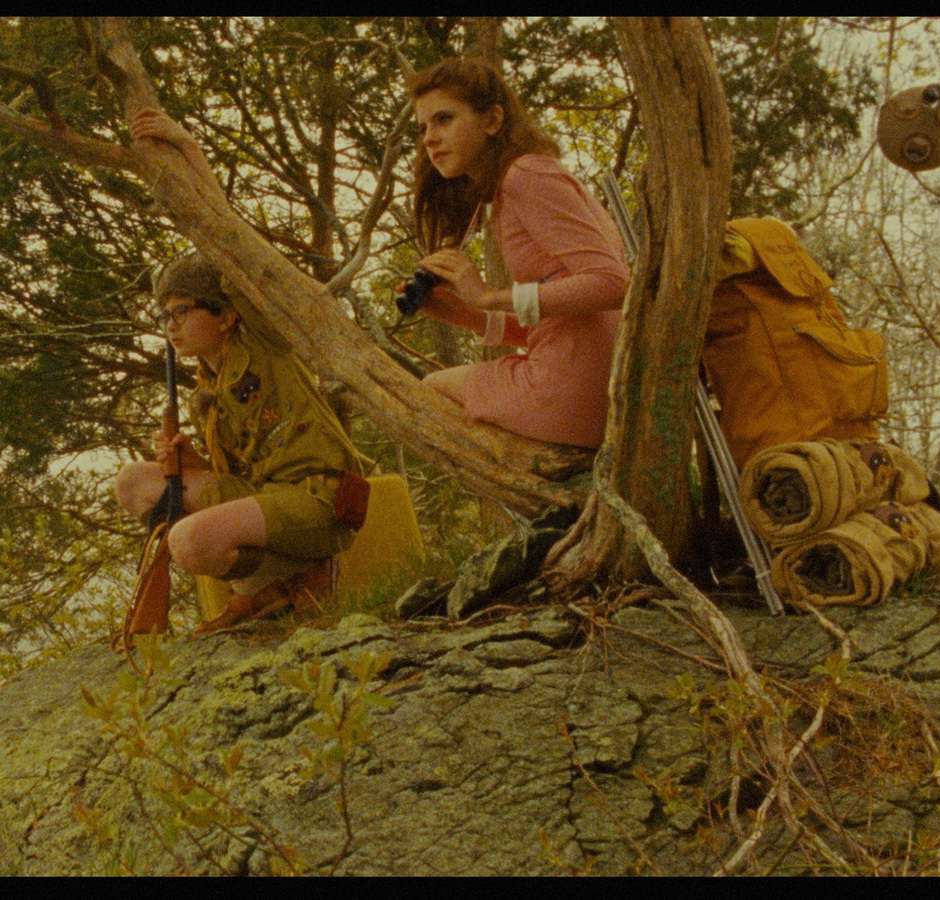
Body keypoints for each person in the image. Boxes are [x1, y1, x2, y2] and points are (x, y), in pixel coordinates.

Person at [115, 111, 375, 635]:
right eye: (164, 315)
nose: (171, 325)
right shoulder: (204, 392)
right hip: (265, 496)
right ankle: (274, 588)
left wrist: (187, 147)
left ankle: (304, 576)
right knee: (134, 484)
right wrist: (188, 460)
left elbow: (225, 237)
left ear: (226, 314)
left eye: (183, 310)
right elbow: (238, 471)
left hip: (318, 499)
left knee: (188, 543)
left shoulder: (264, 341)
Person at [403, 59, 630, 450]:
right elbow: (565, 318)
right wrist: (470, 316)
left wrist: (489, 297)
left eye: (444, 119)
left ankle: (541, 500)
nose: (429, 138)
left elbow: (613, 285)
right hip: (601, 393)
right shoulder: (523, 181)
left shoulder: (526, 176)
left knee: (429, 390)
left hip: (571, 389)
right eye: (423, 127)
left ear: (492, 120)